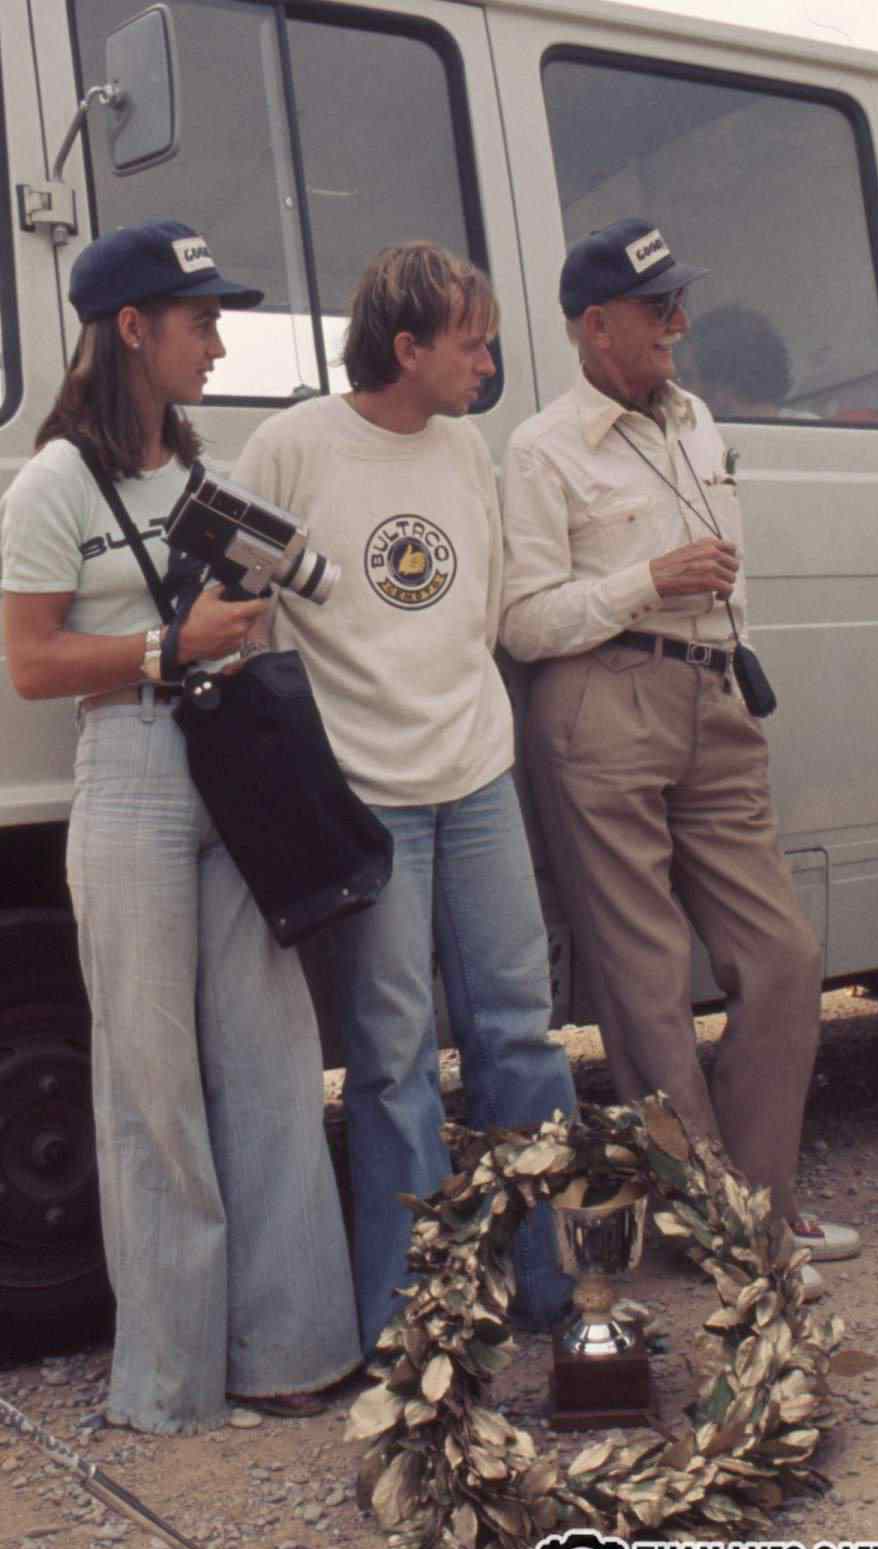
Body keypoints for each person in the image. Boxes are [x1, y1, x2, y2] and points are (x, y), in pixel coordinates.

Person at [0, 220, 360, 1432]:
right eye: (200, 321)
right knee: (150, 1081)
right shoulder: (53, 483)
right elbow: (31, 663)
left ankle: (294, 1353)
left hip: (234, 768)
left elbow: (310, 586)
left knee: (270, 1060)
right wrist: (169, 644)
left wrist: (252, 601)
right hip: (133, 771)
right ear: (131, 330)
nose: (216, 343)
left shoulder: (205, 480)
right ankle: (170, 1385)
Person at [500, 218, 860, 1296]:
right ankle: (718, 1228)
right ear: (594, 326)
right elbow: (522, 621)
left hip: (715, 694)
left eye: (677, 304)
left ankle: (761, 1205)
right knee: (646, 983)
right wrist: (647, 581)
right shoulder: (541, 448)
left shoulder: (695, 418)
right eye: (659, 309)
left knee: (785, 955)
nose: (680, 324)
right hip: (601, 700)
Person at [231, 242, 575, 1353]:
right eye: (472, 343)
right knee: (392, 1060)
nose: (489, 363)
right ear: (407, 346)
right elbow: (239, 608)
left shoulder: (466, 447)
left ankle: (555, 1292)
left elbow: (483, 607)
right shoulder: (290, 448)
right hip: (367, 797)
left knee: (522, 1035)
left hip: (476, 777)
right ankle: (416, 1320)